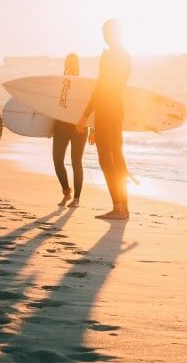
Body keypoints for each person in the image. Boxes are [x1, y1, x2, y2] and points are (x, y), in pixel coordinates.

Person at [76, 20, 131, 220]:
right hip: (118, 109)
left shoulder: (108, 56)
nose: (104, 35)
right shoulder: (126, 56)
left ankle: (118, 207)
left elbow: (101, 87)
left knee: (105, 158)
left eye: (106, 31)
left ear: (112, 33)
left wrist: (84, 117)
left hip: (106, 109)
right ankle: (124, 207)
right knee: (117, 156)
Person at [53, 53, 88, 207]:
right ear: (66, 65)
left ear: (78, 65)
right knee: (57, 160)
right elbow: (52, 105)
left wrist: (93, 129)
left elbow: (91, 107)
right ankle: (66, 192)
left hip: (78, 127)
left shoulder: (84, 83)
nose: (72, 65)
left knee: (76, 162)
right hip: (61, 125)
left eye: (74, 62)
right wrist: (47, 128)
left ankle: (77, 199)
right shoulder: (59, 82)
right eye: (69, 62)